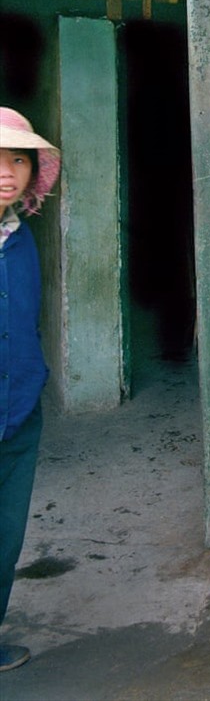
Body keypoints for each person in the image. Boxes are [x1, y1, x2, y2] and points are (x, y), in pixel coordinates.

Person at [0, 108, 61, 674]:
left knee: (6, 536)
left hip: (18, 411)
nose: (7, 171)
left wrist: (34, 379)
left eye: (17, 158)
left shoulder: (21, 240)